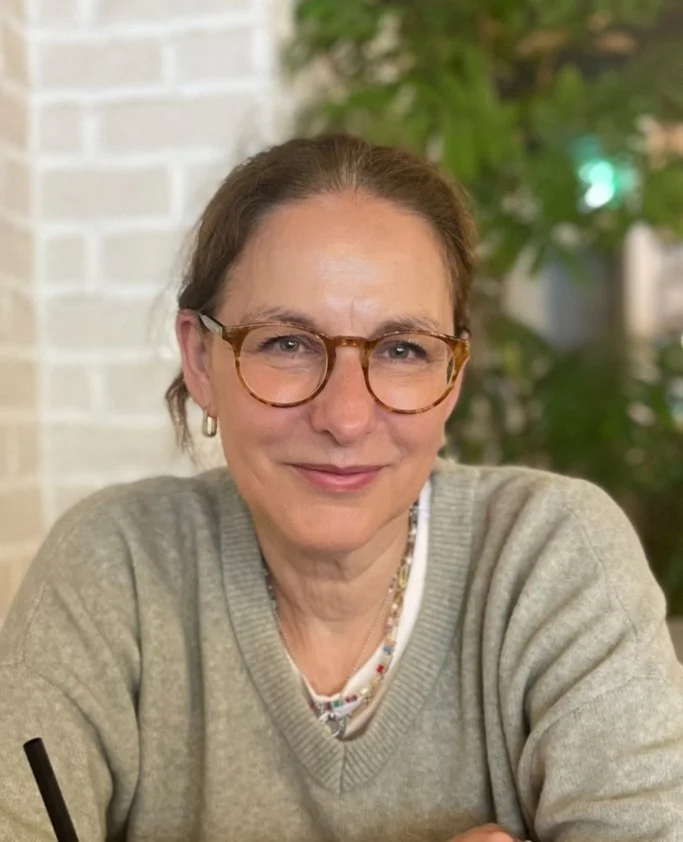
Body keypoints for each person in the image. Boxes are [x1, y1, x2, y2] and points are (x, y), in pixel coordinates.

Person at [0, 134, 681, 842]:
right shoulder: (117, 567)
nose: (346, 417)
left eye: (401, 351)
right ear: (200, 362)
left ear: (452, 378)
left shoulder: (554, 557)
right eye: (287, 344)